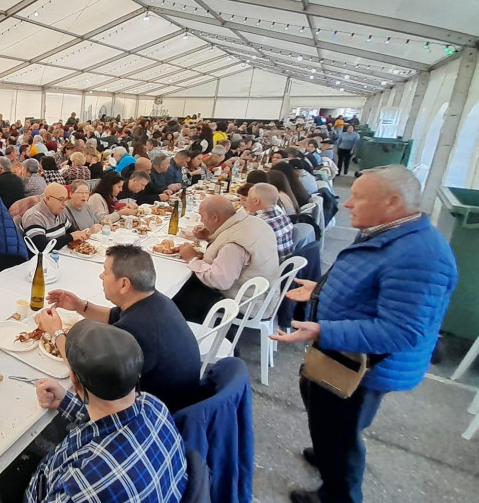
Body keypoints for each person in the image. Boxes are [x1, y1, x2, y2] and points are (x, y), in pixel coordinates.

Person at [272, 166, 457, 503]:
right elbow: (370, 289)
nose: (347, 204)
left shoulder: (419, 256)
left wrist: (323, 329)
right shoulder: (386, 232)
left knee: (342, 429)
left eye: (358, 197)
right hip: (344, 352)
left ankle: (338, 492)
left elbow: (401, 330)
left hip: (363, 366)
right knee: (327, 416)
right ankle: (328, 450)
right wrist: (320, 292)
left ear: (392, 202)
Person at [28, 321, 188, 502]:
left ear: (74, 381)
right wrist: (65, 401)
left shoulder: (81, 487)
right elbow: (109, 418)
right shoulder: (154, 406)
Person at [44, 244, 201, 410]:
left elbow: (89, 372)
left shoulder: (136, 330)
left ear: (124, 284)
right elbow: (113, 316)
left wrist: (56, 333)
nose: (101, 276)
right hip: (182, 400)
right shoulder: (154, 300)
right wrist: (79, 306)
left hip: (157, 414)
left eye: (105, 272)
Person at [171, 196, 280, 322]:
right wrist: (211, 235)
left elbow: (220, 281)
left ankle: (185, 332)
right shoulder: (252, 222)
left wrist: (193, 259)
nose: (201, 221)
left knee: (178, 294)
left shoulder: (234, 245)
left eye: (202, 216)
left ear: (215, 218)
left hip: (246, 303)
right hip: (262, 293)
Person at [21, 183, 96, 251]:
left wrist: (81, 234)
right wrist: (70, 237)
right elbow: (42, 247)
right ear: (48, 198)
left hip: (60, 254)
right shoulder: (34, 216)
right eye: (61, 200)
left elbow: (71, 230)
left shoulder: (60, 212)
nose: (65, 204)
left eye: (66, 200)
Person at [244, 183, 294, 261]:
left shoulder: (258, 223)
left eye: (247, 197)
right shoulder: (280, 212)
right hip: (286, 263)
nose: (246, 201)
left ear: (256, 201)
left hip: (270, 268)